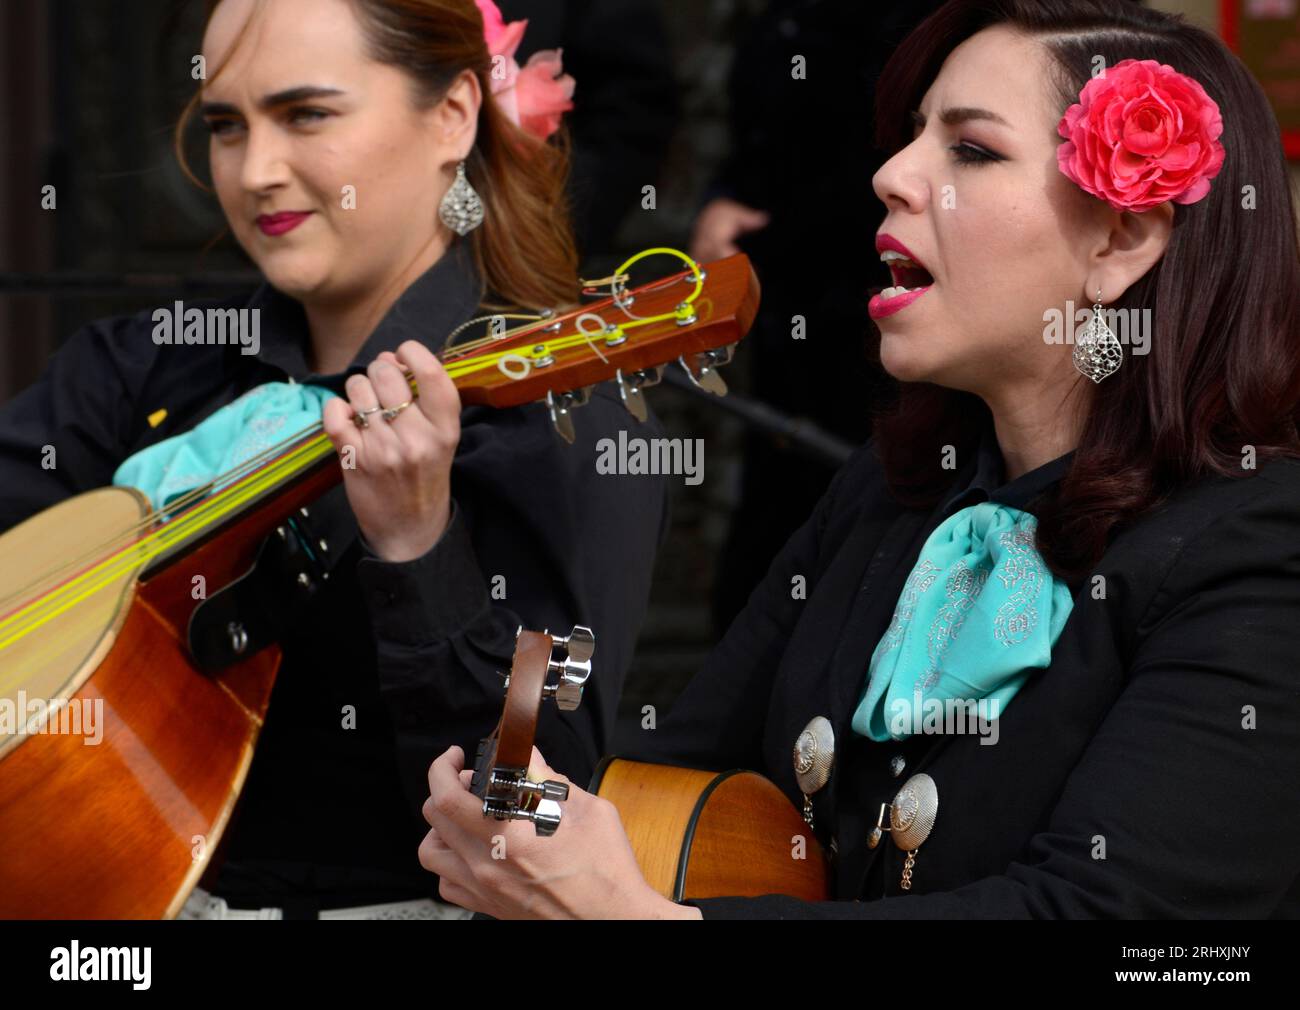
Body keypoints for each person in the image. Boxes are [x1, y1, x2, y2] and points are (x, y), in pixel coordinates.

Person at [416, 0, 1300, 919]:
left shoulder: (1260, 553)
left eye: (972, 150)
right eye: (912, 135)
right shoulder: (889, 496)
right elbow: (652, 787)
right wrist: (420, 541)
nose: (891, 175)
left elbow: (1124, 931)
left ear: (1122, 239)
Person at [0, 0, 667, 919]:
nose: (255, 172)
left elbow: (525, 807)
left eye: (307, 114)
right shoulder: (137, 369)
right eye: (227, 126)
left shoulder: (559, 416)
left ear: (453, 115)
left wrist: (420, 548)